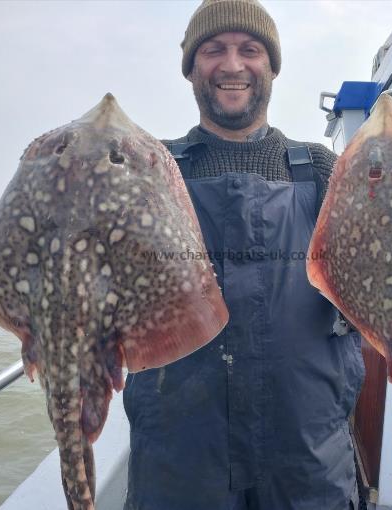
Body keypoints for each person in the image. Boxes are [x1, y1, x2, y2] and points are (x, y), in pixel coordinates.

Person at [123, 1, 365, 509]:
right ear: (192, 67)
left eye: (250, 50)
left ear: (272, 66)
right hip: (182, 459)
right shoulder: (151, 170)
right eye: (214, 50)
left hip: (307, 456)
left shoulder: (322, 170)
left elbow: (373, 289)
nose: (232, 65)